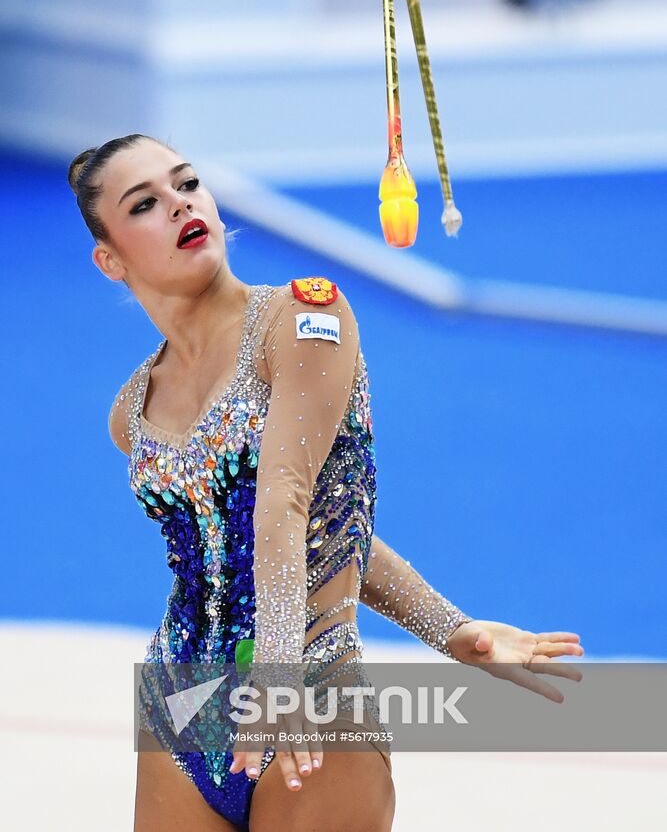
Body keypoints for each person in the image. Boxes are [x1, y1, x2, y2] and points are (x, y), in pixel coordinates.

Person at [68, 133, 584, 832]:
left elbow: (288, 499)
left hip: (307, 691)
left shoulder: (302, 319)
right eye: (146, 204)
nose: (180, 204)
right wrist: (449, 626)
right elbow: (326, 535)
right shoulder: (131, 412)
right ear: (110, 259)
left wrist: (281, 674)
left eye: (187, 184)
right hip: (180, 703)